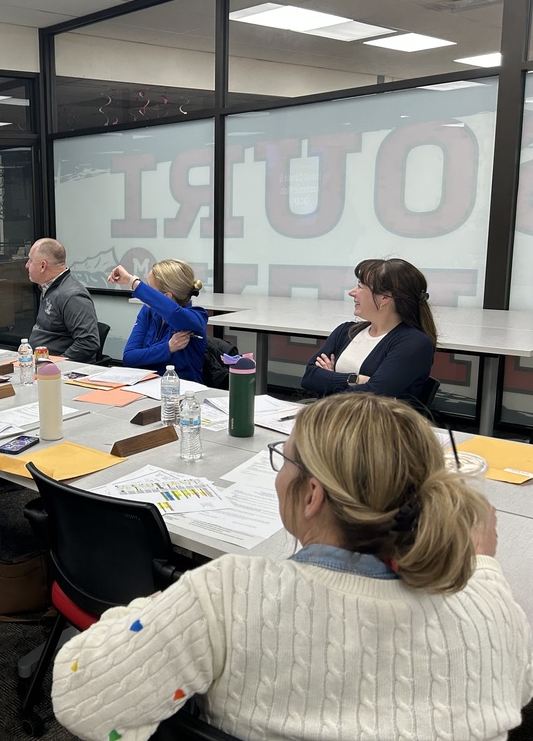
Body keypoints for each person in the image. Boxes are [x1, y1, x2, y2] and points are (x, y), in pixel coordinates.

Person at [51, 393, 532, 741]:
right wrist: (483, 569)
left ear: (312, 494)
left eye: (284, 460)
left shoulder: (228, 594)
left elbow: (81, 698)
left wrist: (154, 612)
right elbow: (520, 687)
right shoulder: (491, 606)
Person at [301, 258, 436, 402]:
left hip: (373, 423)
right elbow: (309, 377)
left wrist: (329, 381)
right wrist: (356, 379)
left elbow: (373, 396)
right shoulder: (345, 331)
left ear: (385, 297)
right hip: (332, 418)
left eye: (360, 286)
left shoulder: (414, 343)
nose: (352, 292)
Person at [109, 260, 208, 382]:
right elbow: (129, 358)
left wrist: (133, 282)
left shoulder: (195, 317)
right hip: (145, 386)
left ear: (166, 296)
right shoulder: (148, 311)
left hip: (181, 391)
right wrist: (167, 348)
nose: (146, 294)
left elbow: (174, 313)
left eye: (149, 288)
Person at [26, 238, 99, 362]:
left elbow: (88, 343)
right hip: (38, 362)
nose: (26, 265)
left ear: (43, 266)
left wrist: (57, 363)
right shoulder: (48, 288)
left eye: (30, 260)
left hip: (58, 370)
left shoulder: (72, 296)